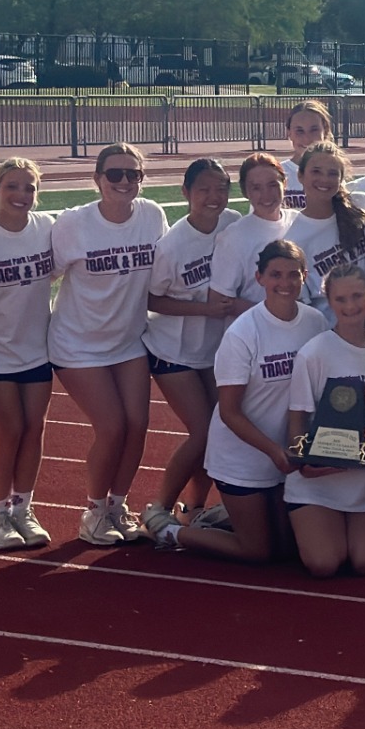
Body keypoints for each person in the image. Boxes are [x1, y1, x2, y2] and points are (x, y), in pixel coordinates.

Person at [167, 240, 326, 562]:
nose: (285, 283)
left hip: (287, 459)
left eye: (293, 275)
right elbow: (228, 412)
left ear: (305, 276)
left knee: (290, 550)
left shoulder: (315, 323)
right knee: (258, 553)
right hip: (243, 460)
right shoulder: (243, 333)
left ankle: (219, 517)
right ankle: (172, 531)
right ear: (260, 278)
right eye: (276, 274)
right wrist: (272, 450)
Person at [51, 143, 169, 545]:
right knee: (112, 426)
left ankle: (118, 506)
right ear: (97, 179)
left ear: (142, 179)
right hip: (77, 343)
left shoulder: (153, 215)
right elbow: (38, 274)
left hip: (129, 341)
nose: (123, 182)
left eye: (131, 174)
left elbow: (166, 273)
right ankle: (94, 511)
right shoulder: (74, 223)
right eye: (114, 174)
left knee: (137, 426)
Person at [140, 159, 244, 546]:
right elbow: (152, 299)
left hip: (214, 350)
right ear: (186, 193)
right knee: (203, 431)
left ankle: (194, 507)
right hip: (173, 352)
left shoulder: (234, 223)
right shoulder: (172, 245)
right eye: (203, 189)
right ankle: (157, 507)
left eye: (221, 187)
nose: (213, 197)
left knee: (219, 431)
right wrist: (203, 309)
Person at [0, 156, 56, 550]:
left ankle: (23, 508)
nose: (21, 195)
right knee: (10, 430)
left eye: (29, 187)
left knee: (34, 429)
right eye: (12, 187)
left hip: (37, 349)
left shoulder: (48, 228)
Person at [283, 263, 365, 577]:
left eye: (358, 296)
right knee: (324, 564)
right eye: (341, 299)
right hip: (319, 484)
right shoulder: (314, 353)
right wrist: (304, 462)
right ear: (329, 300)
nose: (351, 306)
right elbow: (298, 416)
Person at [283, 141, 365, 317]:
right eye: (316, 171)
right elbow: (303, 306)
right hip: (336, 334)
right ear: (301, 176)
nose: (325, 179)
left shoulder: (360, 205)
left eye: (333, 173)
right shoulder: (294, 240)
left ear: (341, 179)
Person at [208, 153, 297, 335]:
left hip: (297, 331)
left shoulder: (300, 222)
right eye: (256, 188)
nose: (266, 194)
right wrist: (275, 315)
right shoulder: (234, 237)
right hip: (255, 335)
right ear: (245, 192)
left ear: (285, 183)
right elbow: (220, 300)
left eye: (273, 185)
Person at [280, 100, 333, 208]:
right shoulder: (277, 173)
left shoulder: (335, 174)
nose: (307, 138)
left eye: (314, 130)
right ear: (289, 133)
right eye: (299, 131)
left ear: (325, 131)